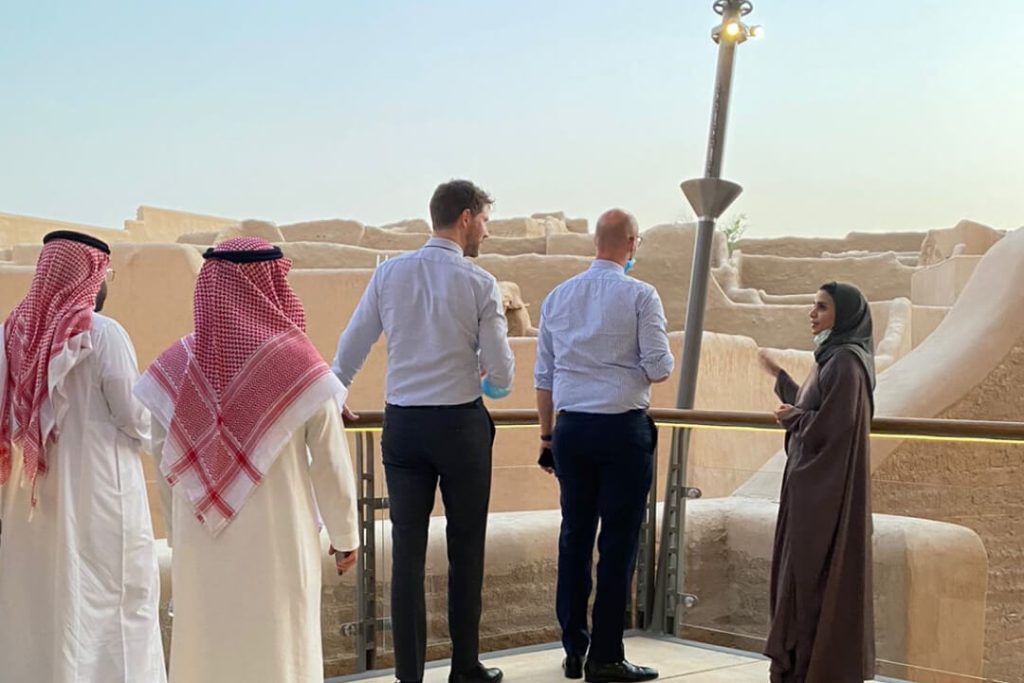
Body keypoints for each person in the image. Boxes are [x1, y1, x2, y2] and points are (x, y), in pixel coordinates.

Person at [134, 237, 360, 683]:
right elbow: (330, 460)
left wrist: (179, 533)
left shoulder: (177, 363)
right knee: (279, 649)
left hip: (201, 541)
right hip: (279, 541)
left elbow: (166, 461)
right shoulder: (300, 365)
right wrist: (345, 533)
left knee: (209, 652)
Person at [333, 179, 515, 683]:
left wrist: (334, 397)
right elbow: (501, 375)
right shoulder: (480, 283)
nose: (486, 231)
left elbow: (352, 346)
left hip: (404, 426)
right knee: (466, 549)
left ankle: (409, 675)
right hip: (460, 427)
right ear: (464, 217)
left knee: (406, 554)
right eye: (484, 220)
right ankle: (465, 667)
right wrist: (482, 373)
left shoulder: (389, 273)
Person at [0, 230, 165, 682]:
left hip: (31, 497)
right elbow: (134, 414)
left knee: (43, 604)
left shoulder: (11, 333)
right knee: (113, 606)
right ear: (89, 276)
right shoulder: (104, 332)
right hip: (100, 495)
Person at [534, 209, 672, 683]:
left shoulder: (558, 297)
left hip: (571, 430)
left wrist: (547, 436)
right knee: (617, 545)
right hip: (621, 431)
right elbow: (659, 367)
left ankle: (574, 649)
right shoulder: (641, 296)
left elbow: (545, 377)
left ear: (597, 241)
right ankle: (606, 656)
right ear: (631, 243)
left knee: (574, 537)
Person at [757, 281, 876, 683]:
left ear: (844, 316)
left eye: (822, 307)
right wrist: (783, 380)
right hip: (810, 492)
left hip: (824, 498)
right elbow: (816, 409)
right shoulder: (831, 359)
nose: (813, 313)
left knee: (811, 577)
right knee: (801, 577)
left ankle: (813, 668)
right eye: (813, 306)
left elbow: (833, 429)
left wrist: (792, 417)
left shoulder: (845, 362)